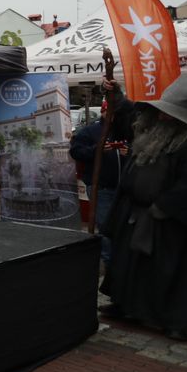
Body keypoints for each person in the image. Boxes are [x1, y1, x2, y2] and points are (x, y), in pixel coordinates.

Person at [98, 67, 187, 340]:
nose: (163, 115)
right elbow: (128, 116)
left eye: (170, 112)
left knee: (170, 272)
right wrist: (115, 94)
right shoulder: (152, 125)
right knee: (128, 264)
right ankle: (126, 306)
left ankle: (175, 320)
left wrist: (165, 207)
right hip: (134, 212)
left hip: (171, 220)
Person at [69, 83, 133, 262]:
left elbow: (138, 151)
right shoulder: (90, 130)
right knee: (104, 225)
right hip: (102, 188)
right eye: (109, 113)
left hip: (124, 188)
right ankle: (108, 260)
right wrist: (96, 150)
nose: (113, 117)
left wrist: (130, 152)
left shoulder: (124, 129)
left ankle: (121, 259)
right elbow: (76, 152)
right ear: (104, 112)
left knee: (122, 224)